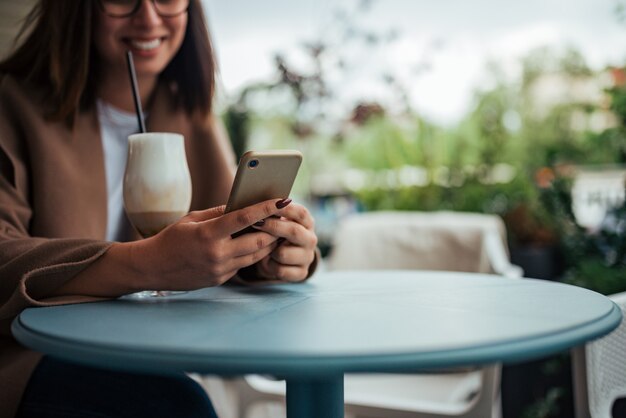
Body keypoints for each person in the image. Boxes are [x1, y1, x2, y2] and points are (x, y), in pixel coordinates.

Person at [0, 0, 319, 417]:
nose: (148, 18)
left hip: (145, 346)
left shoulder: (191, 111)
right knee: (174, 406)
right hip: (24, 352)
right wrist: (146, 263)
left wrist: (275, 253)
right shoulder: (12, 103)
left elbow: (226, 231)